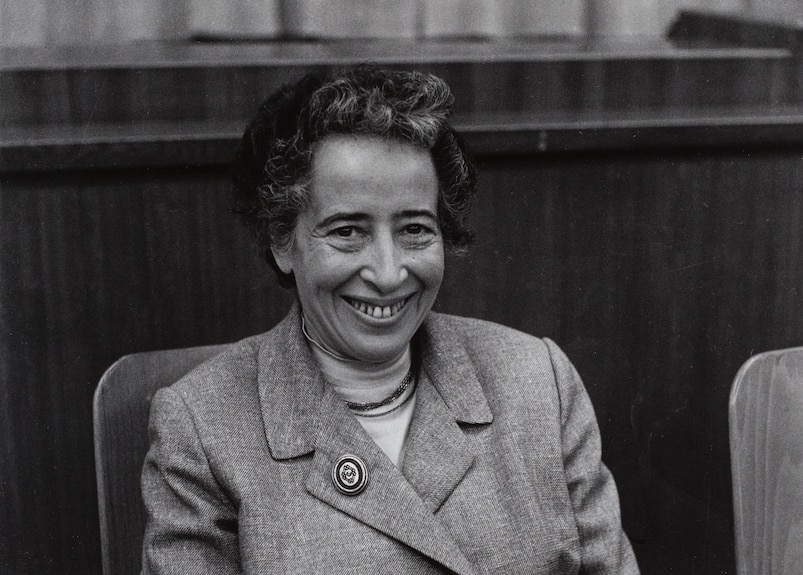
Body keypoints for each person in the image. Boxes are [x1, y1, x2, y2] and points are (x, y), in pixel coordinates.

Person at [141, 65, 639, 574]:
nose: (388, 272)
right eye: (348, 231)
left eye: (415, 230)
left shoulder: (540, 381)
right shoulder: (203, 427)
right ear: (282, 242)